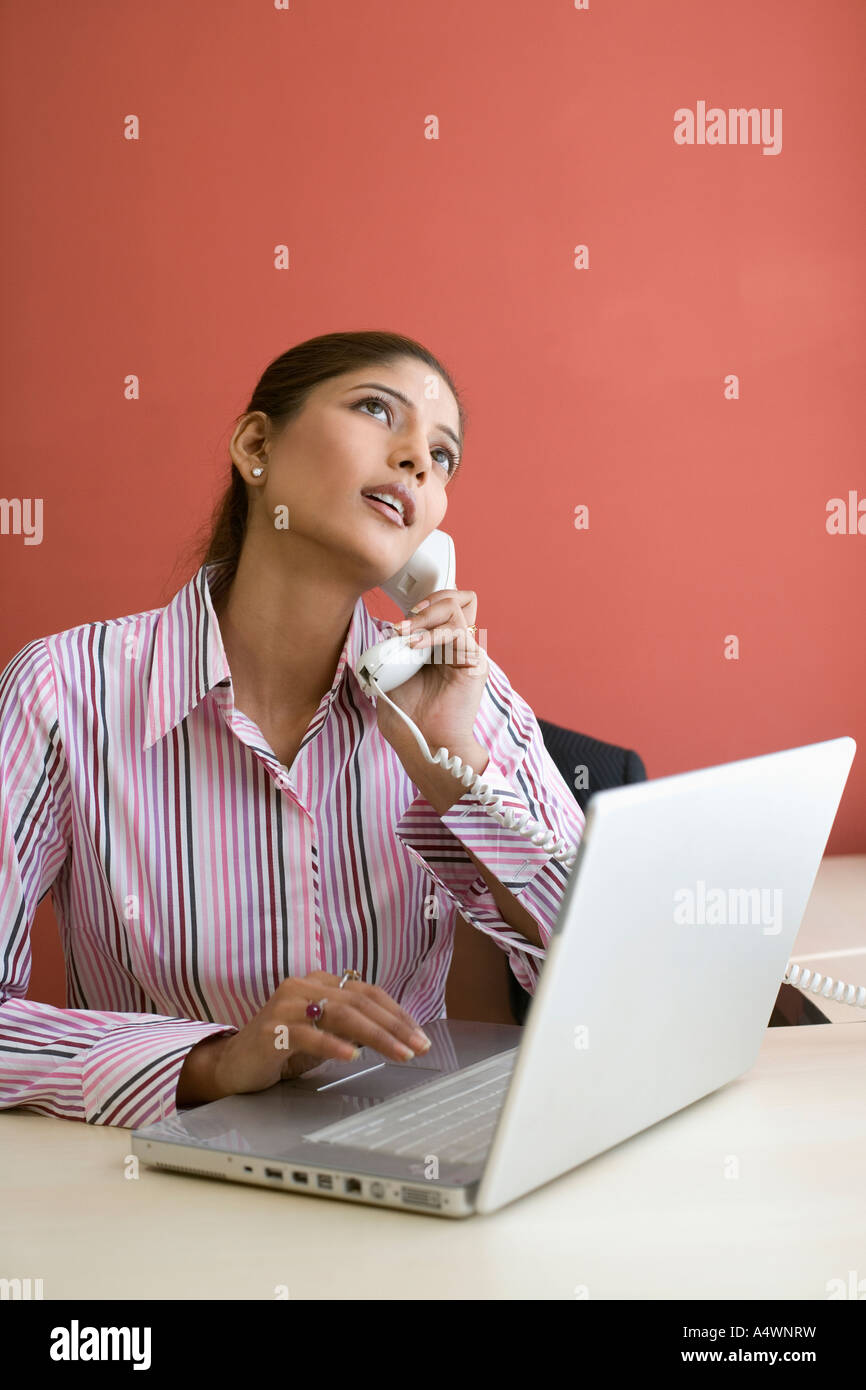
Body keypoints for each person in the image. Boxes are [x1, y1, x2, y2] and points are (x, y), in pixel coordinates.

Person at [0, 330, 585, 1129]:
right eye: (379, 410)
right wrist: (213, 1059)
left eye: (443, 455)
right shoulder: (63, 690)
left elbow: (613, 973)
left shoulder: (459, 691)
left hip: (402, 1158)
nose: (418, 459)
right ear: (255, 446)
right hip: (149, 1182)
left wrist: (458, 771)